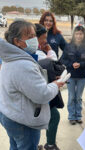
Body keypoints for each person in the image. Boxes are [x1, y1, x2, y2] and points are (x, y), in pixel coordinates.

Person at [0, 20, 64, 150]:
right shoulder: (23, 64)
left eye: (35, 35)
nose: (35, 39)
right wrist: (55, 85)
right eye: (30, 37)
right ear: (17, 42)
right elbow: (42, 95)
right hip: (23, 123)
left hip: (11, 115)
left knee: (15, 146)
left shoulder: (11, 58)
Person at [35, 23, 65, 150]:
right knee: (53, 116)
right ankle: (50, 145)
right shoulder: (37, 54)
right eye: (43, 37)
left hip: (35, 95)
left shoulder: (34, 52)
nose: (45, 41)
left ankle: (45, 144)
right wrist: (49, 50)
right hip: (37, 96)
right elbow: (52, 62)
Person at [61, 26, 85, 125]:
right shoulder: (68, 46)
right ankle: (71, 117)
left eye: (80, 34)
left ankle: (78, 116)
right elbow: (62, 60)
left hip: (82, 76)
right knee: (71, 97)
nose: (78, 36)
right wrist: (71, 64)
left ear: (83, 35)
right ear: (73, 35)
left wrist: (81, 64)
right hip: (70, 76)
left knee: (78, 97)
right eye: (76, 33)